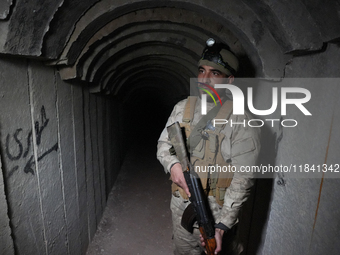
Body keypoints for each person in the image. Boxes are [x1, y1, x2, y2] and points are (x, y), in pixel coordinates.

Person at [157, 38, 261, 255]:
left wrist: (222, 227)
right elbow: (164, 145)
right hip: (181, 207)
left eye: (215, 73)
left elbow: (244, 178)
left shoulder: (242, 121)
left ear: (229, 80)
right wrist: (173, 165)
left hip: (217, 214)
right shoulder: (182, 108)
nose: (204, 79)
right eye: (202, 70)